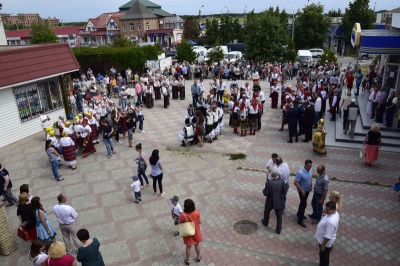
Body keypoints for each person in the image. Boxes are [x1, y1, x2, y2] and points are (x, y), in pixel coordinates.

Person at [261, 170, 287, 234]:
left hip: (270, 201)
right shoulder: (282, 182)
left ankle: (265, 222)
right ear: (277, 175)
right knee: (279, 216)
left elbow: (265, 193)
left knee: (267, 212)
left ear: (271, 175)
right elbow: (284, 192)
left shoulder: (268, 183)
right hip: (278, 201)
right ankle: (278, 229)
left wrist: (264, 189)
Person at [315, 201, 340, 266]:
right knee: (324, 256)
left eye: (328, 209)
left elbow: (328, 236)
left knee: (324, 258)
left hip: (325, 242)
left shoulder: (330, 222)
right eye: (326, 208)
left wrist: (323, 245)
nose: (325, 210)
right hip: (325, 241)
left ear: (333, 210)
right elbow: (337, 205)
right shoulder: (335, 213)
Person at [180, 199, 202, 265]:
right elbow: (200, 222)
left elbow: (180, 223)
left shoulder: (183, 215)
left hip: (188, 233)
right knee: (197, 244)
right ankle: (198, 257)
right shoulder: (196, 212)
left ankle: (187, 260)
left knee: (188, 247)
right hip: (196, 232)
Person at [294, 159, 313, 228]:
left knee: (303, 203)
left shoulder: (310, 170)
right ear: (305, 165)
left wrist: (311, 185)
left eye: (310, 166)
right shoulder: (300, 172)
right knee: (304, 204)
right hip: (302, 191)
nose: (309, 167)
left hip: (307, 190)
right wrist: (301, 190)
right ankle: (300, 220)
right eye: (308, 166)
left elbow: (310, 177)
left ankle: (299, 214)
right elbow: (295, 182)